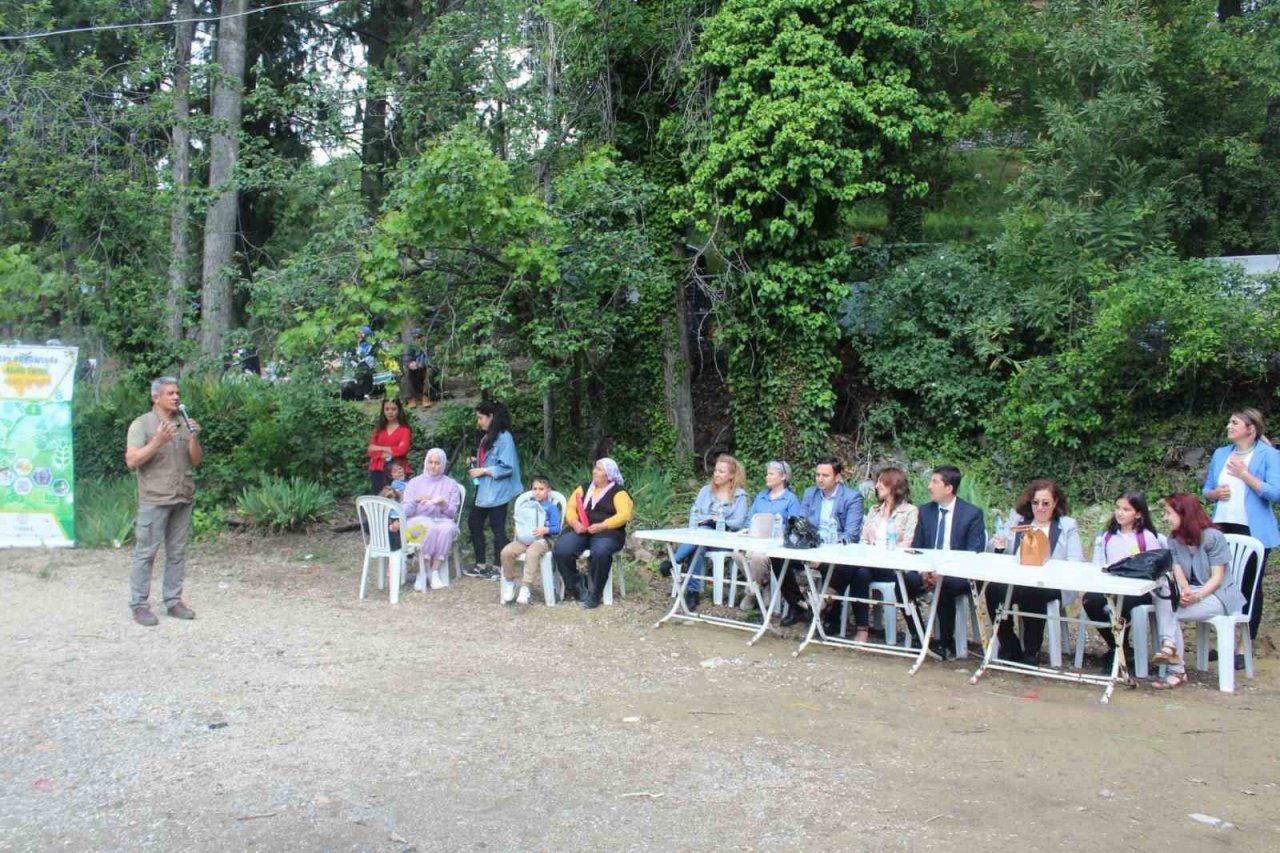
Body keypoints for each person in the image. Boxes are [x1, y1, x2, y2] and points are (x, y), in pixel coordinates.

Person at [1202, 408, 1280, 660]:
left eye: (1234, 422)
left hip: (1253, 530)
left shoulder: (1268, 454)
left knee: (1249, 587)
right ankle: (1224, 639)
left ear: (1251, 428)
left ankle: (1244, 645)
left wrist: (1244, 475)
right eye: (1229, 422)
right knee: (1222, 583)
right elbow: (1207, 489)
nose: (1228, 426)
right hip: (1222, 526)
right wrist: (1215, 494)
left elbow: (1275, 493)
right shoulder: (1221, 453)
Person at [124, 376, 203, 626]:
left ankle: (173, 601)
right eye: (170, 393)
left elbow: (196, 461)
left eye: (177, 392)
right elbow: (132, 461)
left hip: (182, 496)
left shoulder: (183, 423)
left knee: (177, 553)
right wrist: (157, 441)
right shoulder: (142, 424)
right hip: (155, 499)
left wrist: (194, 438)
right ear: (155, 397)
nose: (176, 397)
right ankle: (139, 605)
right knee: (145, 553)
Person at [1149, 492, 1245, 690]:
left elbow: (1217, 578)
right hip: (1193, 590)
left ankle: (1175, 665)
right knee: (1164, 596)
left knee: (1168, 609)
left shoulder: (1213, 537)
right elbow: (1177, 570)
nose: (1165, 518)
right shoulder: (1174, 539)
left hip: (1219, 595)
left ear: (1183, 513)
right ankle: (1171, 651)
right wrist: (1185, 591)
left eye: (1168, 513)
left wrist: (1197, 596)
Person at [984, 478, 1084, 664]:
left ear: (1055, 503)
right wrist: (999, 545)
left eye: (1045, 503)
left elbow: (1075, 562)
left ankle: (1032, 650)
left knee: (1035, 591)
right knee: (993, 590)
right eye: (1035, 502)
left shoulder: (1066, 526)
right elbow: (995, 547)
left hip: (1052, 583)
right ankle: (1009, 643)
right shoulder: (1019, 521)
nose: (1040, 508)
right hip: (1017, 580)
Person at [904, 465, 986, 659]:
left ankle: (946, 642)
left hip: (959, 574)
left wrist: (943, 572)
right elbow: (918, 547)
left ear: (949, 488)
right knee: (903, 582)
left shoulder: (972, 514)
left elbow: (974, 553)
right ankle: (918, 634)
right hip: (928, 571)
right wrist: (924, 571)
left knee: (945, 585)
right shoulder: (925, 511)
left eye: (934, 482)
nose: (929, 486)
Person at [1082, 491, 1165, 671]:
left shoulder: (1147, 537)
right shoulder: (1107, 537)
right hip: (1112, 587)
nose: (1120, 513)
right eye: (1118, 508)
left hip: (1139, 591)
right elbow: (1101, 565)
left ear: (1138, 514)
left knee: (1120, 606)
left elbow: (1156, 569)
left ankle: (1120, 652)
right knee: (1090, 601)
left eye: (1126, 509)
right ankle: (1119, 647)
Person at [778, 456, 864, 628]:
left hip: (835, 549)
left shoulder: (852, 498)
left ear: (837, 477)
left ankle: (830, 616)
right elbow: (801, 524)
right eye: (817, 475)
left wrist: (824, 554)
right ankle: (798, 604)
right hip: (811, 546)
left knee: (834, 565)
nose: (820, 479)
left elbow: (851, 535)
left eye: (825, 475)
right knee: (778, 557)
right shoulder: (811, 493)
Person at [658, 455, 749, 612]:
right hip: (702, 536)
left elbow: (739, 522)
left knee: (702, 536)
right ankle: (693, 593)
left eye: (721, 472)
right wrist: (709, 519)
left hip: (724, 540)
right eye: (716, 471)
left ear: (731, 475)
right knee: (699, 545)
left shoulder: (740, 495)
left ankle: (675, 561)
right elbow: (695, 514)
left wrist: (720, 520)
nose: (716, 474)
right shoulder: (705, 491)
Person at [845, 467, 920, 643]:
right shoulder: (874, 510)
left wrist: (882, 545)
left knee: (858, 572)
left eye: (881, 482)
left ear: (894, 485)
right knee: (859, 573)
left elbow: (909, 543)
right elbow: (863, 541)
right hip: (872, 563)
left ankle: (829, 601)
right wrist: (870, 544)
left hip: (895, 566)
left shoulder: (910, 511)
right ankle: (862, 628)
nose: (877, 486)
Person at [554, 458, 633, 609]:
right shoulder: (583, 488)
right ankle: (577, 587)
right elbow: (571, 508)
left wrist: (603, 525)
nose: (594, 471)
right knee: (562, 548)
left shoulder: (619, 492)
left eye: (599, 469)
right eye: (595, 468)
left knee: (601, 551)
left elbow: (624, 515)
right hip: (581, 529)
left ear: (608, 475)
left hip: (609, 531)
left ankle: (595, 593)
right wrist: (575, 523)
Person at [464, 401, 523, 578]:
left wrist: (482, 470)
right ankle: (481, 565)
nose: (479, 422)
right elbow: (488, 460)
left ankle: (499, 568)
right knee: (474, 522)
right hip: (484, 490)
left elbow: (507, 467)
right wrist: (475, 462)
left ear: (491, 417)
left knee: (498, 528)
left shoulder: (505, 437)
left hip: (498, 491)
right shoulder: (487, 436)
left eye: (481, 418)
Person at [403, 448, 463, 591]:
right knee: (429, 526)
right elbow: (406, 511)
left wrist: (443, 504)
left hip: (442, 520)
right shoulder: (414, 482)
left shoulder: (450, 484)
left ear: (442, 464)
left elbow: (452, 514)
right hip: (417, 520)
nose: (433, 466)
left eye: (437, 462)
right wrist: (416, 500)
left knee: (447, 528)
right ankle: (421, 573)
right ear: (426, 463)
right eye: (430, 462)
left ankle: (435, 571)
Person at [740, 461, 802, 598]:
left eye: (771, 474)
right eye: (767, 474)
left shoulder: (791, 499)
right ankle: (764, 583)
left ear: (783, 477)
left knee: (757, 557)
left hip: (776, 544)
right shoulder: (761, 496)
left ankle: (752, 593)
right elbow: (749, 520)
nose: (767, 477)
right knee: (737, 555)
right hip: (755, 540)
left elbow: (795, 526)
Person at [499, 475, 563, 605]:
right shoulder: (526, 506)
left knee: (532, 552)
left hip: (543, 540)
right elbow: (519, 522)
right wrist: (518, 530)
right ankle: (510, 583)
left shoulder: (551, 507)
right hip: (524, 540)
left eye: (541, 489)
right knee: (506, 552)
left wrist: (545, 530)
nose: (538, 492)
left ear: (548, 490)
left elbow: (557, 528)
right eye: (535, 489)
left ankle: (525, 587)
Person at [366, 398, 412, 495]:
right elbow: (371, 450)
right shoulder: (378, 429)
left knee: (397, 497)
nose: (390, 412)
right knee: (380, 500)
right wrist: (391, 451)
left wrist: (380, 448)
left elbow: (402, 450)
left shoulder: (405, 430)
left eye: (393, 409)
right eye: (387, 409)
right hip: (377, 469)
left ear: (399, 410)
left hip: (397, 470)